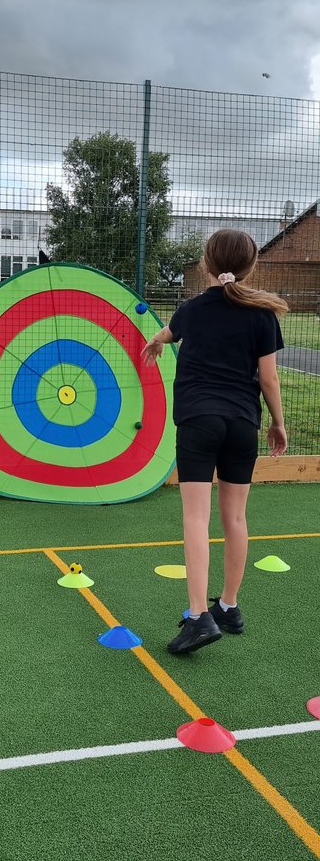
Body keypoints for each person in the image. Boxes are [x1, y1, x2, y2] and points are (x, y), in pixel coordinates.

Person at [141, 228, 288, 654]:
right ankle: (228, 606)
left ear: (205, 263)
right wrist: (278, 423)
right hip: (244, 425)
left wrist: (154, 341)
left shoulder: (191, 310)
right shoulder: (262, 314)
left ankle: (198, 618)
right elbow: (268, 378)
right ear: (250, 265)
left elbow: (169, 332)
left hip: (199, 422)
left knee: (195, 519)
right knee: (235, 519)